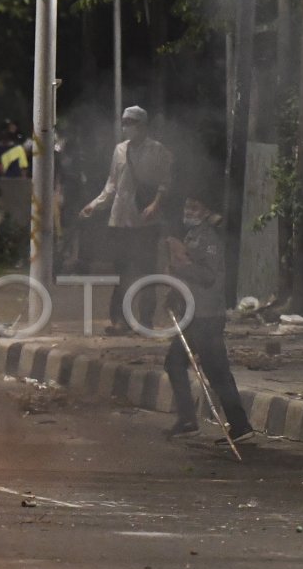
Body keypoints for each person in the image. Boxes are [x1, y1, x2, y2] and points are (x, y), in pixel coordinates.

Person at [164, 187, 254, 443]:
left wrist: (183, 267)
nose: (188, 212)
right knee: (174, 363)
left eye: (194, 208)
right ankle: (188, 419)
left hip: (207, 315)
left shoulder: (209, 240)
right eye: (186, 207)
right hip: (193, 315)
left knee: (216, 372)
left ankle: (240, 425)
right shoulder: (192, 237)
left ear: (206, 213)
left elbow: (207, 276)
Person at [80, 105, 174, 334]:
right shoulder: (120, 150)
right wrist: (94, 205)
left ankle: (145, 321)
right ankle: (119, 320)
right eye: (124, 122)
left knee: (147, 271)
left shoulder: (157, 150)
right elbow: (111, 185)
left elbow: (166, 182)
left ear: (142, 126)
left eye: (130, 123)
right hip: (120, 220)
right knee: (122, 272)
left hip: (146, 221)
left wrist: (155, 205)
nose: (126, 127)